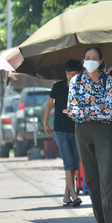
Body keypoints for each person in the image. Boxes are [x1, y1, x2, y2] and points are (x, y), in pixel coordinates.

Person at [66, 47, 112, 223]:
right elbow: (73, 109)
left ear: (100, 62)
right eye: (87, 57)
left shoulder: (108, 81)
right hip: (82, 131)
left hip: (103, 131)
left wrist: (87, 108)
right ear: (83, 60)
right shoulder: (76, 80)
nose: (90, 60)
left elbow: (109, 110)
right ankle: (100, 222)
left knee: (106, 175)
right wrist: (96, 107)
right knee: (90, 177)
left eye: (94, 58)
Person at [44, 59, 83, 207]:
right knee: (68, 163)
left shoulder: (81, 88)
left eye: (75, 74)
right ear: (65, 73)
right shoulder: (58, 86)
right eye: (69, 73)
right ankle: (74, 195)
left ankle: (67, 196)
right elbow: (49, 104)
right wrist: (45, 122)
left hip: (77, 129)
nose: (72, 76)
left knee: (73, 164)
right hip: (60, 130)